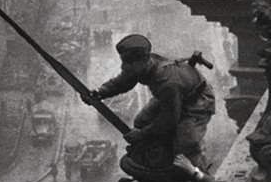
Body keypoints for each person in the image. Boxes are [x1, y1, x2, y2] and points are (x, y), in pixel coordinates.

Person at [82, 34, 215, 169]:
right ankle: (160, 156)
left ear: (144, 60)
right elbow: (123, 82)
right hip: (172, 96)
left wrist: (141, 135)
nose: (123, 67)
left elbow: (169, 119)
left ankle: (202, 178)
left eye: (128, 63)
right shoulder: (142, 65)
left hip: (197, 101)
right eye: (123, 62)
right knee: (141, 121)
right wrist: (100, 92)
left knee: (185, 146)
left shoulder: (166, 81)